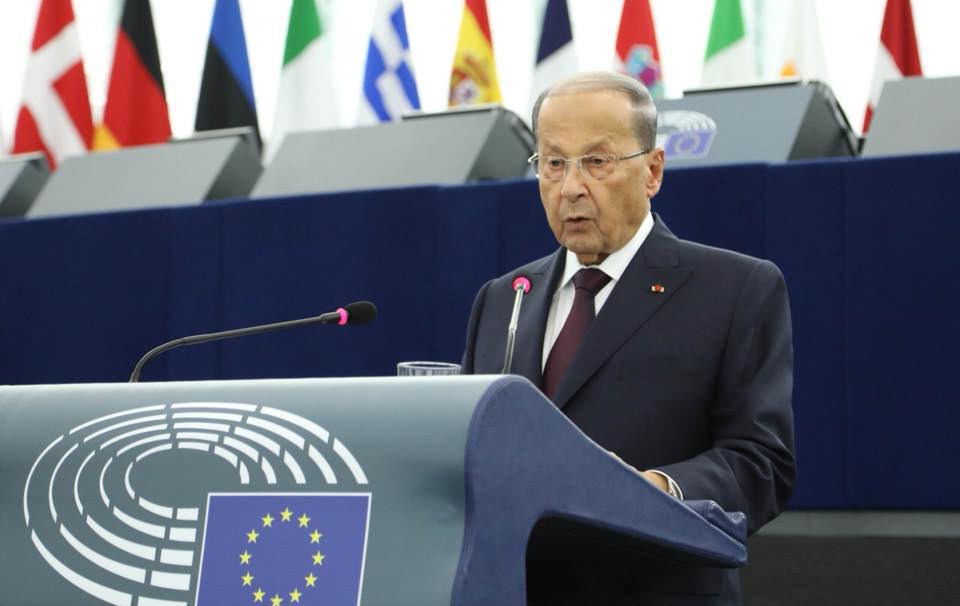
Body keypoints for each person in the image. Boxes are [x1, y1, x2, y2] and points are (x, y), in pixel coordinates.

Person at [460, 71, 795, 605]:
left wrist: (656, 489)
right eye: (553, 163)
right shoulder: (504, 298)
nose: (571, 187)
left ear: (653, 171)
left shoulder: (734, 289)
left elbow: (761, 465)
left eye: (596, 161)